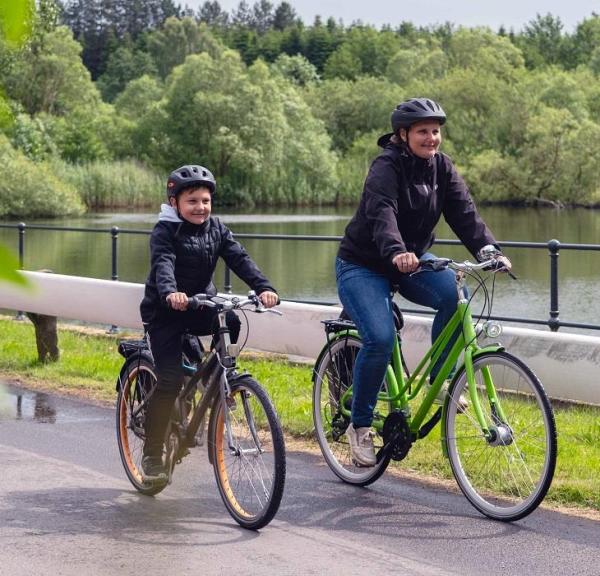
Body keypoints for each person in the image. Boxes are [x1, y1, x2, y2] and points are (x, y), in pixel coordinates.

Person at [336, 97, 511, 467]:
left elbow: (465, 213)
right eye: (422, 132)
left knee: (455, 294)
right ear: (403, 134)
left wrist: (489, 250)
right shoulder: (386, 166)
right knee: (380, 338)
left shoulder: (441, 167)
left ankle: (440, 381)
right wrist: (396, 249)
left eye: (435, 131)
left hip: (412, 260)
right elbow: (382, 211)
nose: (431, 138)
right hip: (364, 264)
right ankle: (360, 427)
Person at [139, 164, 278, 482]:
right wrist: (171, 292)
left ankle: (217, 379)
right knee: (170, 380)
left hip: (201, 305)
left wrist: (264, 287)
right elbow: (164, 263)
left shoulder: (216, 228)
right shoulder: (165, 230)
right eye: (192, 201)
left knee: (232, 320)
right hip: (166, 312)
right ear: (175, 202)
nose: (200, 207)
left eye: (205, 200)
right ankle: (152, 455)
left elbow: (239, 257)